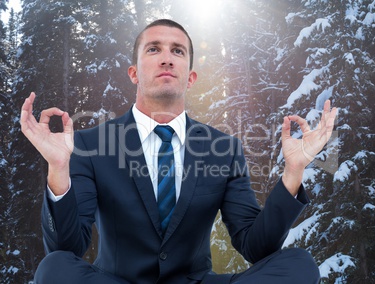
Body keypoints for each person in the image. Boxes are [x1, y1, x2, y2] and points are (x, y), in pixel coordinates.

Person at [20, 19, 337, 284]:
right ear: (134, 73)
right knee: (54, 269)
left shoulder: (224, 149)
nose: (167, 58)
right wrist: (59, 166)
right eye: (154, 49)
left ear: (191, 78)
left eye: (178, 51)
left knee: (299, 265)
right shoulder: (91, 144)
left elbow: (256, 247)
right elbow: (67, 248)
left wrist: (294, 171)